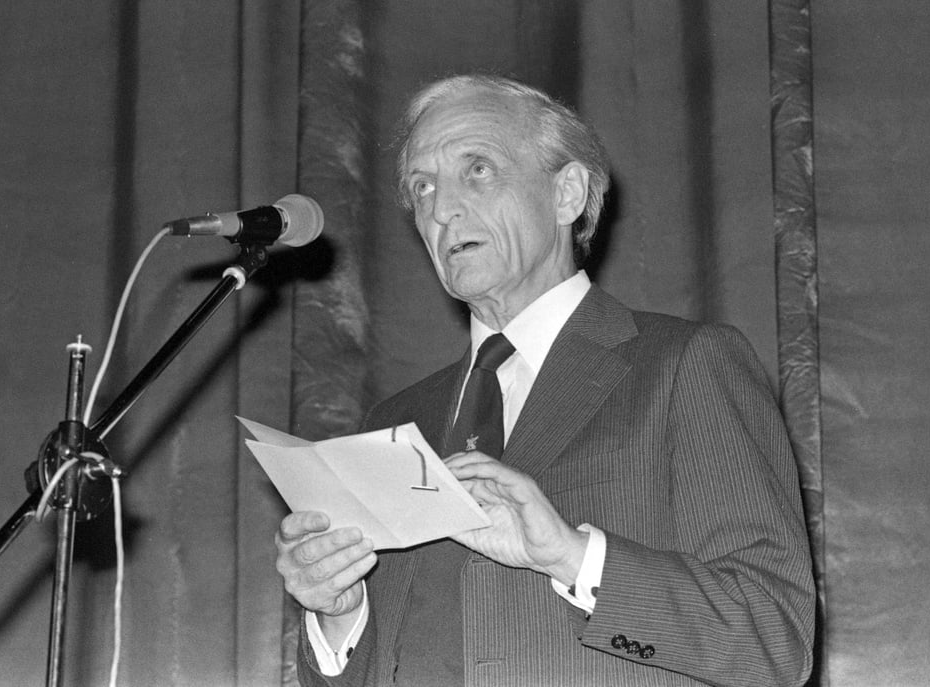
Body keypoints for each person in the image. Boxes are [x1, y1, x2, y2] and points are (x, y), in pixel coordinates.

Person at [275, 74, 816, 686]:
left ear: (567, 194)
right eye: (422, 187)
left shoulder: (687, 365)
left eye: (476, 169)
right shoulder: (395, 422)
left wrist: (570, 554)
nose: (441, 208)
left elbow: (774, 641)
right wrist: (338, 614)